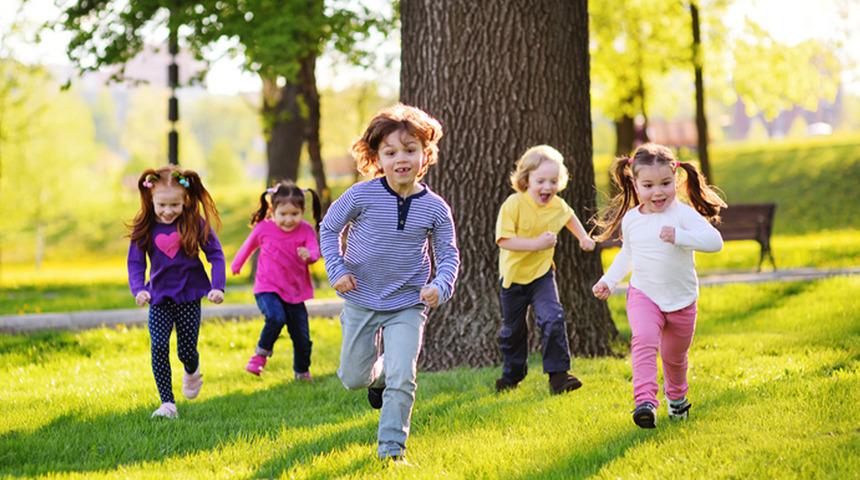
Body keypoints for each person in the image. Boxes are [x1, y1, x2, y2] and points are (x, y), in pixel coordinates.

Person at [320, 103, 460, 461]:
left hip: (407, 304)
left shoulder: (435, 208)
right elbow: (329, 227)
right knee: (354, 378)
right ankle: (378, 372)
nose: (402, 158)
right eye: (391, 151)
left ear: (425, 155)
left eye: (410, 150)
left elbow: (448, 256)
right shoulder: (360, 195)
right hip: (362, 298)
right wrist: (336, 271)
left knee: (404, 377)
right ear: (376, 157)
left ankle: (391, 451)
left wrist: (440, 287)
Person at [591, 143, 725, 429]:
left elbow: (716, 242)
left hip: (682, 300)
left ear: (675, 179)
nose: (658, 192)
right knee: (644, 342)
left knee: (674, 359)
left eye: (665, 183)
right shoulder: (631, 219)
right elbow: (628, 254)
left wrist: (680, 237)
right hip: (644, 294)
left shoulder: (683, 215)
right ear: (635, 184)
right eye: (648, 185)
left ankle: (677, 400)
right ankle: (645, 403)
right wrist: (608, 280)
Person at [494, 145, 596, 395]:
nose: (547, 187)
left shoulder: (557, 205)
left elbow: (569, 216)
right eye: (540, 181)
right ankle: (512, 374)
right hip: (513, 279)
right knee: (513, 331)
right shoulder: (514, 204)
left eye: (553, 181)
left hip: (542, 275)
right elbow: (504, 241)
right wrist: (538, 244)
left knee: (552, 318)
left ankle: (559, 377)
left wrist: (583, 237)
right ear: (526, 179)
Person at [127, 166, 225, 419]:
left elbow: (215, 255)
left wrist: (217, 286)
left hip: (189, 296)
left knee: (186, 350)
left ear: (185, 201)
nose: (168, 211)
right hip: (159, 297)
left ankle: (192, 370)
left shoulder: (194, 224)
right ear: (151, 200)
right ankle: (167, 403)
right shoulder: (145, 227)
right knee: (158, 346)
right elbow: (136, 263)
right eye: (162, 205)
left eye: (174, 205)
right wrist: (138, 289)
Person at [231, 180, 322, 381]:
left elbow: (315, 251)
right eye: (283, 214)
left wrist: (310, 255)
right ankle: (260, 355)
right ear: (272, 211)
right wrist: (236, 265)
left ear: (302, 211)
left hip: (295, 292)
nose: (289, 220)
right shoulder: (264, 228)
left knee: (302, 339)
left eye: (294, 214)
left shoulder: (305, 230)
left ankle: (302, 372)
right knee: (275, 317)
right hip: (267, 287)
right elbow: (248, 247)